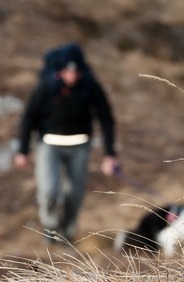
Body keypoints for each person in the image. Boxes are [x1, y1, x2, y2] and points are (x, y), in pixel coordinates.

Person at [14, 43, 118, 243]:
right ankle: (51, 228)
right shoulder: (46, 86)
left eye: (77, 71)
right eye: (69, 71)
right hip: (48, 145)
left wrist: (110, 154)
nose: (73, 76)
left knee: (74, 194)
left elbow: (106, 118)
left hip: (80, 146)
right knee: (49, 191)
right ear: (61, 71)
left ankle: (67, 233)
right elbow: (28, 117)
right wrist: (22, 151)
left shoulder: (90, 86)